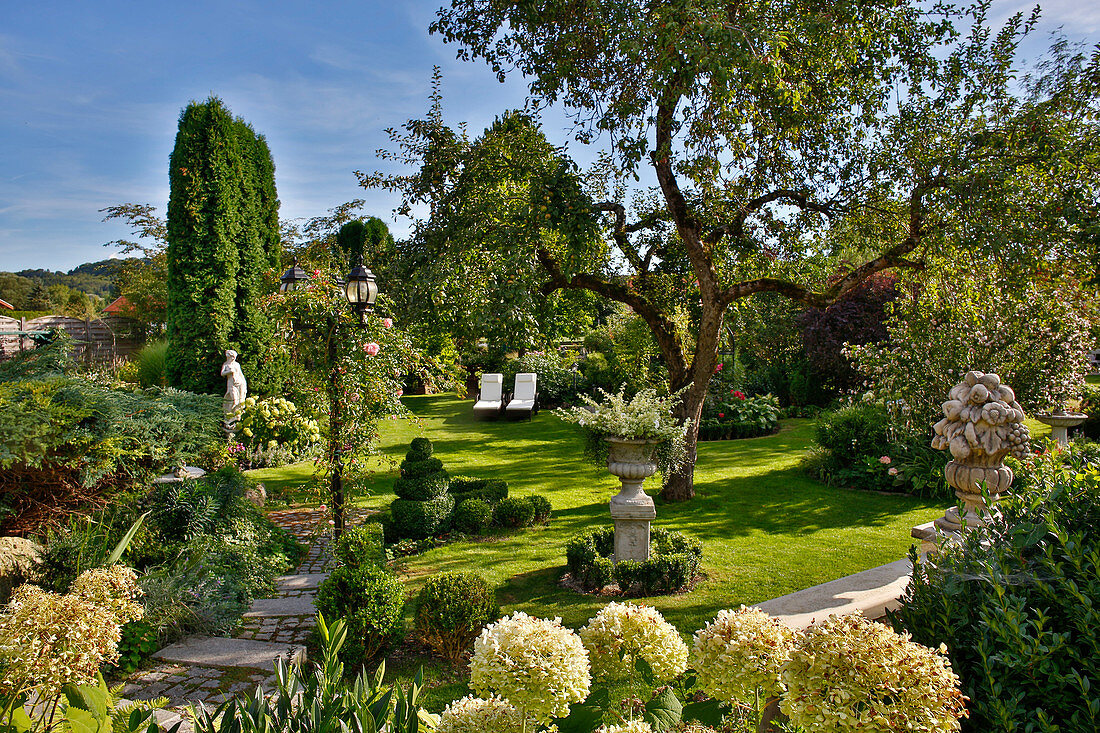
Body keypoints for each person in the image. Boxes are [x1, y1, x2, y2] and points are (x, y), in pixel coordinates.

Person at [221, 349, 247, 414]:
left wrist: (244, 384)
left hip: (240, 383)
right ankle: (229, 415)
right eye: (232, 357)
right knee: (234, 400)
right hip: (231, 384)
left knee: (240, 400)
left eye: (234, 357)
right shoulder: (226, 364)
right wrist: (230, 371)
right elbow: (222, 373)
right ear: (228, 357)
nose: (233, 358)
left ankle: (238, 416)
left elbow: (241, 374)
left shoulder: (237, 364)